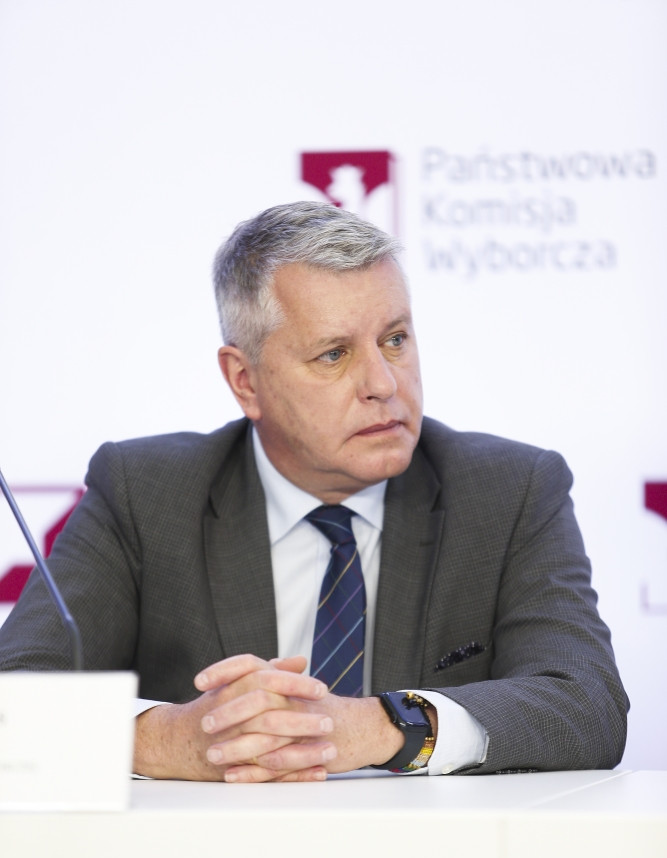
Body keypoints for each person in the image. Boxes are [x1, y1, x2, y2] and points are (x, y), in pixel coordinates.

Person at [0, 202, 628, 782]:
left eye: (395, 340)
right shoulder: (146, 495)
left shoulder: (508, 492)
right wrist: (172, 740)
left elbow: (588, 704)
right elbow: (13, 698)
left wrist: (381, 726)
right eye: (333, 355)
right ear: (245, 381)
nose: (383, 383)